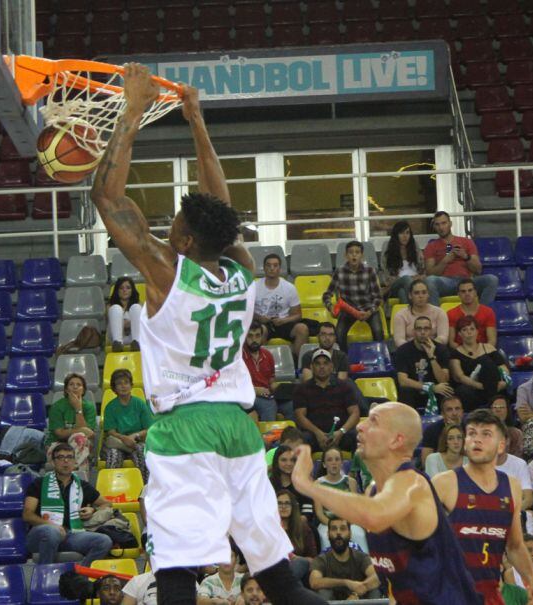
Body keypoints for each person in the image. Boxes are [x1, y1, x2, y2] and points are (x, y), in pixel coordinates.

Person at [90, 64, 324, 605]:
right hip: (240, 431)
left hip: (185, 430)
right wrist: (195, 118)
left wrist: (133, 107)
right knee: (276, 578)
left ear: (186, 235)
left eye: (175, 220)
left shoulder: (167, 272)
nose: (167, 223)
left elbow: (108, 199)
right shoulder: (240, 269)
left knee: (175, 564)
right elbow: (222, 206)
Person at [291, 401, 482, 604]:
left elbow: (374, 516)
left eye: (373, 421)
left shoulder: (413, 483)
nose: (360, 426)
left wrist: (307, 485)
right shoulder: (374, 492)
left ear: (396, 440)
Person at [432, 409, 533, 605]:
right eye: (472, 433)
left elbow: (515, 545)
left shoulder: (511, 486)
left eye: (486, 434)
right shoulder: (444, 483)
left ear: (501, 445)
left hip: (490, 594)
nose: (477, 439)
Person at [23, 443, 113, 566]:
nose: (65, 461)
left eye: (69, 457)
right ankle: (44, 576)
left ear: (75, 462)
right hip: (40, 535)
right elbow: (27, 515)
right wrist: (51, 525)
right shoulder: (39, 483)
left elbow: (107, 503)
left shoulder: (82, 486)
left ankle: (78, 576)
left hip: (70, 535)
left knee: (104, 541)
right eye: (60, 457)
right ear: (53, 462)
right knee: (51, 532)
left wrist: (92, 509)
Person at [424, 210, 498, 305]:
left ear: (450, 224)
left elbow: (478, 270)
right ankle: (436, 317)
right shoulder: (431, 246)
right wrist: (445, 261)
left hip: (466, 281)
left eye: (444, 223)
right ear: (434, 227)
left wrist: (465, 257)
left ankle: (482, 314)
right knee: (430, 280)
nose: (441, 227)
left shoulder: (467, 242)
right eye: (437, 224)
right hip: (445, 282)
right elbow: (430, 273)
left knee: (492, 279)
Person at [293, 349, 360, 452]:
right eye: (318, 363)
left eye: (325, 363)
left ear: (331, 367)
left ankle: (357, 468)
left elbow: (355, 413)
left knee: (358, 436)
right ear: (311, 367)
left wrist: (341, 432)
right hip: (314, 436)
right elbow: (299, 416)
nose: (322, 366)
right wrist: (317, 432)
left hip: (340, 435)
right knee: (302, 439)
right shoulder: (302, 389)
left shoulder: (345, 386)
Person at [322, 240, 383, 352]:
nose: (354, 255)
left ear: (362, 255)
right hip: (348, 310)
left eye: (357, 252)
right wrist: (331, 307)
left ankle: (379, 359)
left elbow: (378, 297)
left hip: (367, 309)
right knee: (339, 333)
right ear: (346, 255)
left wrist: (369, 312)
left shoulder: (370, 271)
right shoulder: (339, 272)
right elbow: (327, 295)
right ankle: (344, 361)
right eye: (350, 252)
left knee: (378, 331)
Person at [308, 518, 381, 601]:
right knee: (324, 592)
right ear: (328, 534)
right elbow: (314, 582)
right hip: (333, 601)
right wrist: (346, 582)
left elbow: (377, 577)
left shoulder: (361, 557)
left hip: (357, 601)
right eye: (334, 529)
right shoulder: (321, 559)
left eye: (343, 529)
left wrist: (357, 592)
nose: (338, 532)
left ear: (350, 534)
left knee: (374, 591)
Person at [253, 253, 310, 358]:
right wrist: (260, 318)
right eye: (268, 265)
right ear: (264, 268)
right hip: (263, 324)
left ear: (280, 268)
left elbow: (298, 315)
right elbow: (248, 312)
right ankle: (259, 365)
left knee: (302, 328)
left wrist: (284, 320)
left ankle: (300, 367)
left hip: (283, 323)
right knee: (260, 330)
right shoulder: (254, 287)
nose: (272, 268)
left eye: (275, 265)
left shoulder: (289, 288)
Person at [102, 368, 154, 482]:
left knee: (142, 450)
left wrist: (134, 437)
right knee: (113, 454)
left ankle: (146, 489)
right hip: (119, 443)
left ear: (131, 385)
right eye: (119, 383)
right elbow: (110, 432)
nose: (123, 386)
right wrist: (125, 439)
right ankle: (111, 490)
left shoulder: (140, 404)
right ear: (114, 388)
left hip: (137, 441)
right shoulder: (110, 407)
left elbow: (148, 428)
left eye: (126, 382)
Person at [450, 316, 510, 411]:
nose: (469, 332)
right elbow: (460, 377)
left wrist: (503, 383)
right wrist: (481, 386)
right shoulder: (455, 353)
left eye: (472, 329)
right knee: (463, 391)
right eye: (464, 330)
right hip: (472, 389)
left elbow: (504, 369)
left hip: (495, 386)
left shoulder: (489, 348)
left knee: (486, 363)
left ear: (477, 331)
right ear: (459, 334)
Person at [313, 447, 367, 552]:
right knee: (325, 537)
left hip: (348, 522)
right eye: (329, 460)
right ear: (324, 464)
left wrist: (345, 525)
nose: (334, 463)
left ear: (342, 463)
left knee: (359, 534)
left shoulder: (351, 482)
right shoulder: (317, 484)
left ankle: (366, 565)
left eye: (337, 459)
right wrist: (333, 526)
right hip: (327, 523)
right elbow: (320, 514)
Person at [394, 315, 454, 409]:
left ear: (431, 331)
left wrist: (431, 357)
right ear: (414, 331)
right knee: (405, 390)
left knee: (446, 390)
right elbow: (403, 381)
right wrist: (430, 388)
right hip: (416, 391)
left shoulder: (441, 350)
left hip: (437, 392)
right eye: (419, 329)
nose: (422, 332)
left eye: (426, 329)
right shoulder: (403, 350)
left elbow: (443, 380)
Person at [46, 373, 96, 475]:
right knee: (80, 444)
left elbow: (88, 434)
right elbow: (59, 433)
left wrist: (78, 409)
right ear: (66, 389)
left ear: (83, 390)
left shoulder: (89, 407)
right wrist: (81, 430)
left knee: (80, 439)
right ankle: (76, 475)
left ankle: (73, 474)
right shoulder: (57, 406)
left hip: (81, 445)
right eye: (71, 384)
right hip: (57, 444)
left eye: (79, 385)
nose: (75, 387)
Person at [381, 220, 436, 305]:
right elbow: (387, 277)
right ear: (396, 235)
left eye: (407, 233)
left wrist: (418, 277)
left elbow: (423, 271)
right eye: (401, 233)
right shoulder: (388, 248)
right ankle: (419, 309)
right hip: (395, 285)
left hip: (415, 284)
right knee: (406, 279)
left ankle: (417, 315)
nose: (405, 236)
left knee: (403, 292)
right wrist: (411, 278)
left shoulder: (414, 247)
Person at [243, 321, 286, 422]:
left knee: (292, 404)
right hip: (247, 395)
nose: (254, 339)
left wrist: (278, 387)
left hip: (266, 395)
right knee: (268, 405)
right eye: (250, 336)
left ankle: (290, 437)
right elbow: (235, 385)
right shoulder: (239, 357)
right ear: (245, 337)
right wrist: (256, 390)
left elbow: (271, 380)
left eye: (257, 336)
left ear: (262, 337)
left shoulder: (268, 355)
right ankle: (268, 436)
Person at [391, 278, 449, 348]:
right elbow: (399, 340)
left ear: (428, 295)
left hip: (434, 349)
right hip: (409, 350)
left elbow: (443, 337)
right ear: (410, 296)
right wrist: (416, 349)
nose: (421, 296)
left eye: (424, 292)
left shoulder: (439, 312)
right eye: (416, 293)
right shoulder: (400, 315)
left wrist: (429, 346)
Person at [276, 490, 317, 582]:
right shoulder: (270, 529)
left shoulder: (303, 528)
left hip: (300, 570)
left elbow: (313, 560)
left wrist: (296, 558)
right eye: (279, 504)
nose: (283, 507)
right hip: (277, 570)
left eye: (287, 503)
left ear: (293, 506)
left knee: (299, 563)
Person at [447, 277, 497, 346]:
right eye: (463, 291)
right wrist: (466, 352)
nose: (467, 293)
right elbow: (451, 342)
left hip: (483, 352)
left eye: (470, 290)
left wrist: (479, 352)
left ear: (475, 292)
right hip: (460, 353)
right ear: (458, 295)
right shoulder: (451, 314)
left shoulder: (488, 312)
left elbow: (492, 341)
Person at [269, 445, 314, 521]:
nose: (289, 463)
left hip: (298, 525)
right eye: (284, 460)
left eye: (292, 460)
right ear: (276, 462)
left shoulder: (303, 484)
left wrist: (295, 523)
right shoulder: (269, 484)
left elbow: (308, 511)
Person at [420, 395, 464, 465]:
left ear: (462, 412)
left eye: (457, 409)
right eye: (449, 410)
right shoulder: (432, 430)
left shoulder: (469, 429)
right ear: (443, 414)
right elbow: (426, 462)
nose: (454, 413)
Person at [495, 438, 533, 514]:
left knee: (529, 515)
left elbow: (528, 500)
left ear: (507, 441)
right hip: (486, 513)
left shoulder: (520, 464)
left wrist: (509, 512)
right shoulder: (477, 465)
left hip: (514, 512)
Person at [108, 276, 142, 352]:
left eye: (128, 288)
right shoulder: (110, 305)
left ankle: (137, 343)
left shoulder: (139, 305)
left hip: (132, 336)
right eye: (121, 288)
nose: (124, 290)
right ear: (117, 290)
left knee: (136, 307)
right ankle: (117, 344)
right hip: (116, 337)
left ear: (132, 290)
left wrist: (129, 323)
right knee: (115, 308)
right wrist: (125, 323)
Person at [490, 394, 524, 458]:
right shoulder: (484, 433)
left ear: (507, 410)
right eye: (495, 407)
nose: (498, 410)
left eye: (502, 407)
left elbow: (518, 456)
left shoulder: (516, 433)